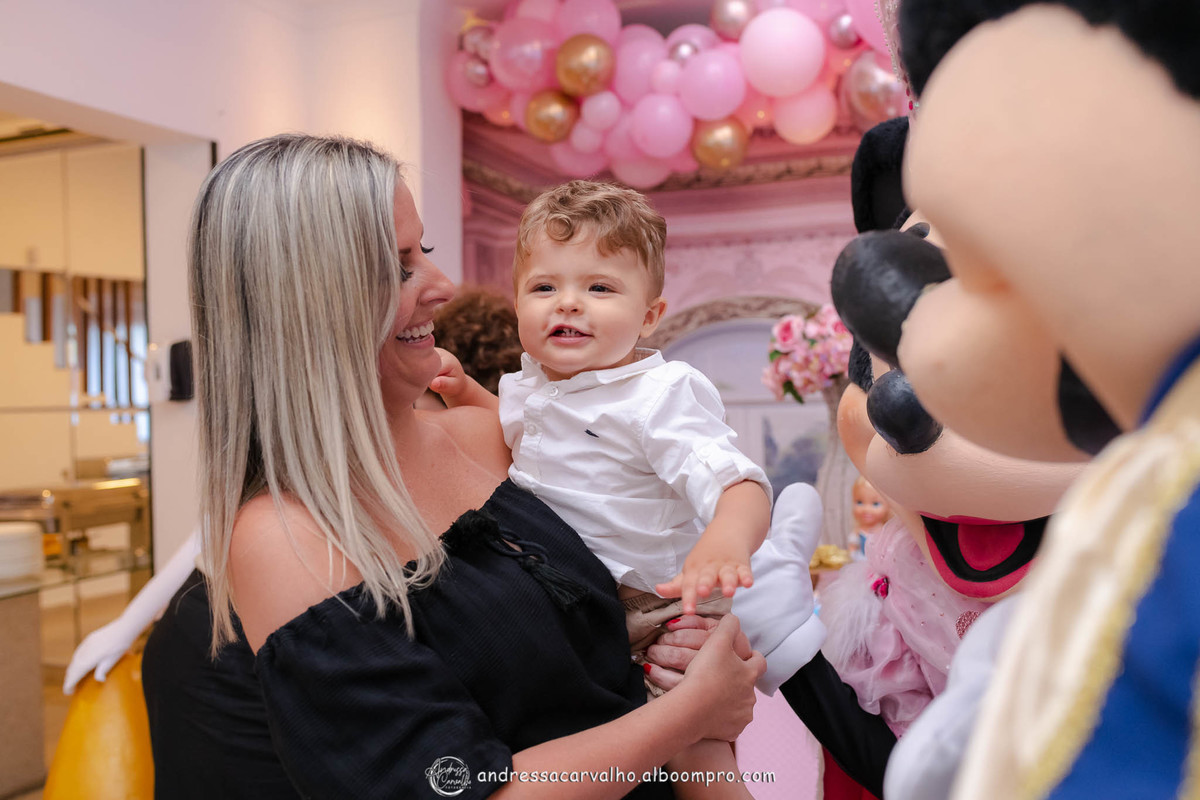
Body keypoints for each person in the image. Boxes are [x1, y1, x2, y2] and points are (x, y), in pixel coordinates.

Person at [141, 133, 766, 800]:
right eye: (399, 267)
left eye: (425, 251)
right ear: (309, 305)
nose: (442, 286)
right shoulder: (287, 539)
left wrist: (685, 658)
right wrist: (691, 714)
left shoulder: (483, 433)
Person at [434, 180, 825, 794]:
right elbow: (516, 439)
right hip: (579, 602)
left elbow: (738, 481)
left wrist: (725, 540)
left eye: (599, 288)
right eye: (544, 287)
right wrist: (467, 395)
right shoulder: (528, 386)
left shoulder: (658, 396)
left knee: (696, 747)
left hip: (661, 604)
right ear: (517, 304)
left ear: (649, 316)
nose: (568, 304)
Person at [848, 476, 890, 560]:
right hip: (861, 561)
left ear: (888, 506)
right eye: (860, 502)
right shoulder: (858, 531)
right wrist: (852, 555)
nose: (866, 509)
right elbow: (852, 547)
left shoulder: (884, 531)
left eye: (875, 504)